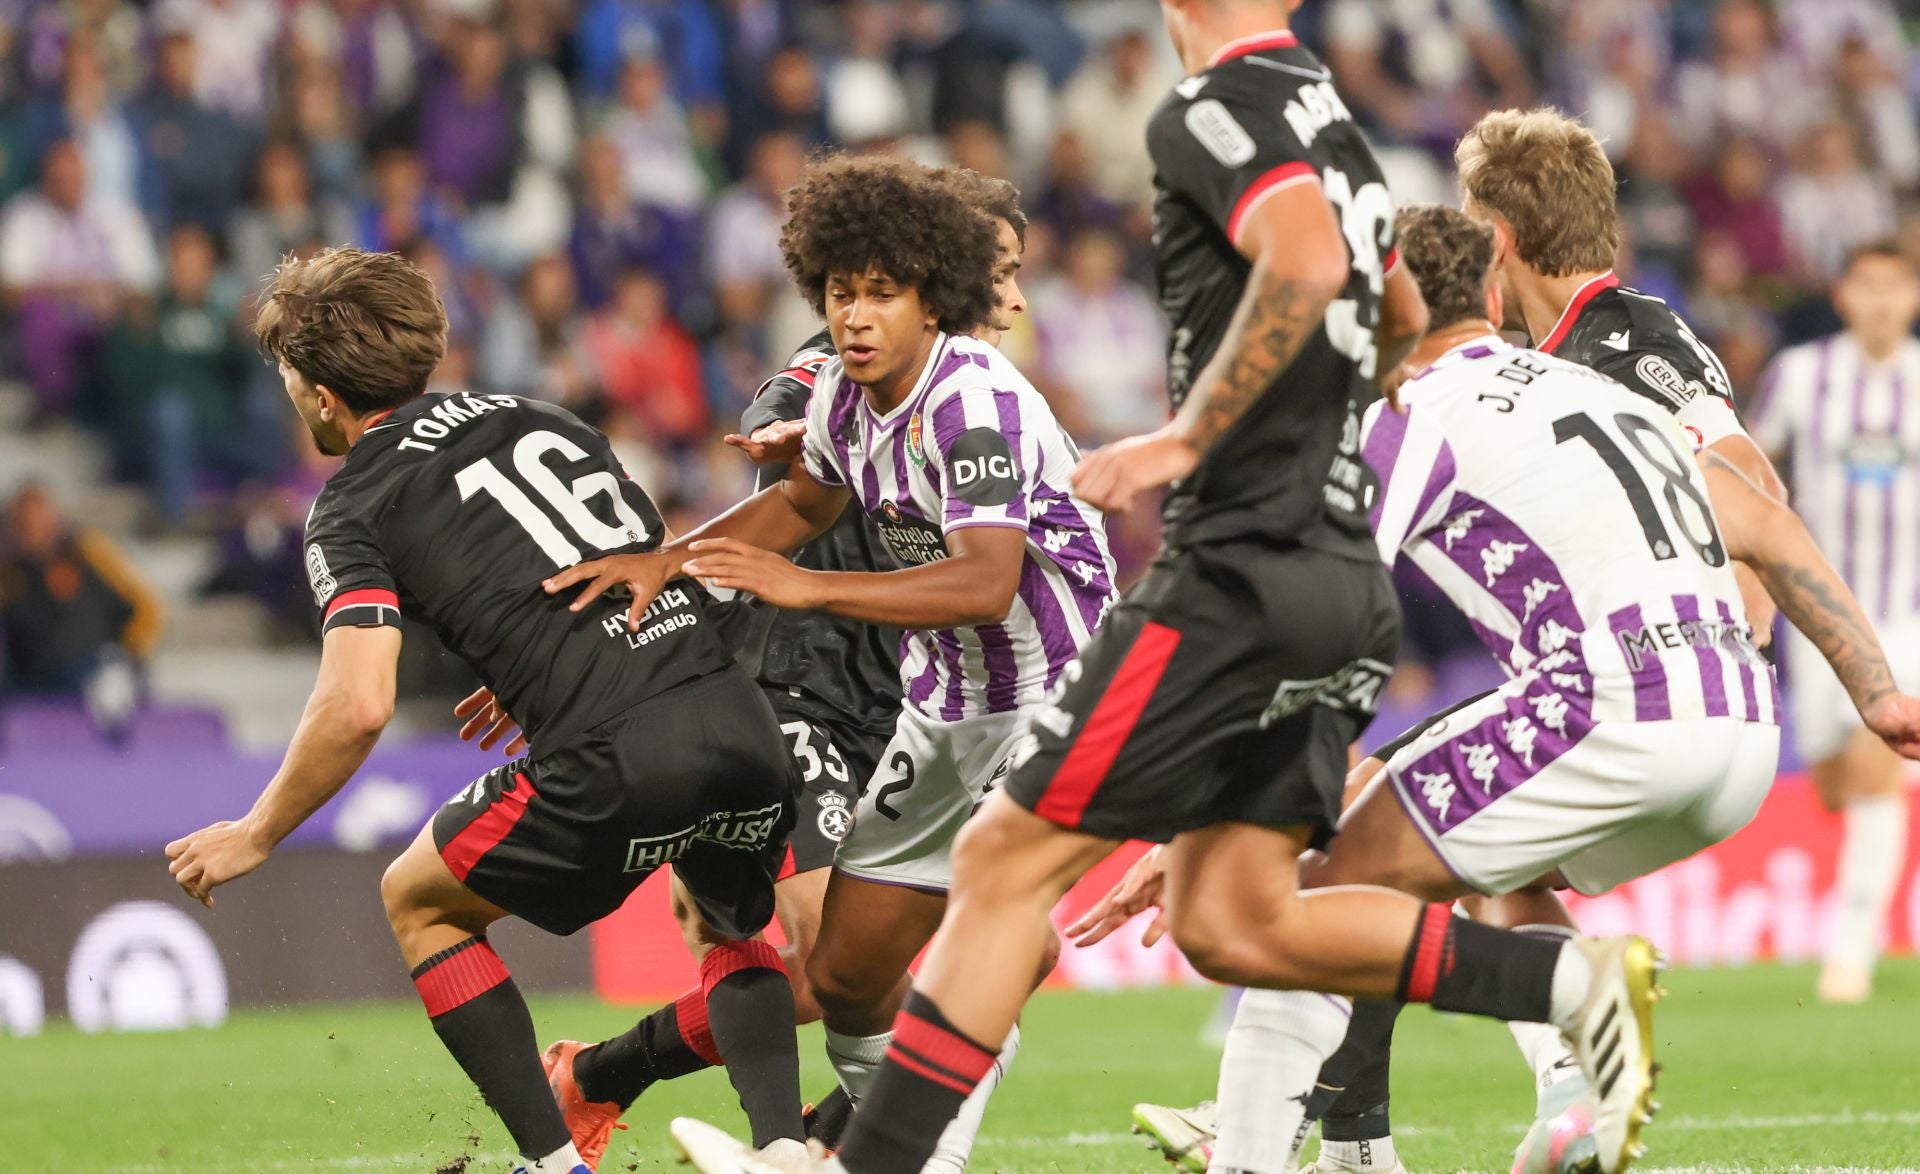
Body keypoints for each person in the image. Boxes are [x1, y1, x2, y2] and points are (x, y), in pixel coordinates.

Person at [675, 6, 1680, 1174]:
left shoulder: (1212, 107)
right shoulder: (1335, 124)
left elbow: (1308, 265)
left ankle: (864, 1164)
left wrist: (1187, 438)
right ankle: (1564, 984)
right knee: (1238, 919)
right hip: (1331, 577)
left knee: (1003, 874)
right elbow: (1398, 312)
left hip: (1238, 568)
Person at [1129, 206, 1920, 1174]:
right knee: (1471, 861)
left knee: (1311, 898)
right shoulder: (1597, 389)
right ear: (1494, 302)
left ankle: (1274, 1145)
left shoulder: (1408, 413)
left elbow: (1308, 613)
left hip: (1611, 706)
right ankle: (1531, 1096)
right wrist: (1878, 693)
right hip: (1743, 726)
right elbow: (1772, 524)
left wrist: (1210, 804)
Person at [161, 247, 809, 1174]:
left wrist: (257, 832)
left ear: (320, 397)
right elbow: (639, 565)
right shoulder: (539, 414)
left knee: (418, 900)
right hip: (738, 719)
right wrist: (539, 661)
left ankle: (552, 1163)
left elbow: (358, 703)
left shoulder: (353, 503)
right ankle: (785, 1149)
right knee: (731, 925)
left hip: (613, 755)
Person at [458, 164, 1041, 1174]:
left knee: (988, 965)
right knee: (825, 968)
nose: (1017, 297)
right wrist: (580, 649)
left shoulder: (973, 396)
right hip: (793, 687)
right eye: (1001, 272)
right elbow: (796, 435)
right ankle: (668, 1096)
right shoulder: (842, 374)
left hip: (911, 705)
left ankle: (806, 1134)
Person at [1752, 241, 1920, 1004]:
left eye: (1895, 286)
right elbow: (1751, 466)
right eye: (1867, 285)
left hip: (1906, 611)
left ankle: (1851, 953)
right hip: (1820, 612)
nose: (1881, 301)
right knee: (1832, 782)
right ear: (1844, 295)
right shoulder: (1801, 375)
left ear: (1912, 298)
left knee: (1872, 758)